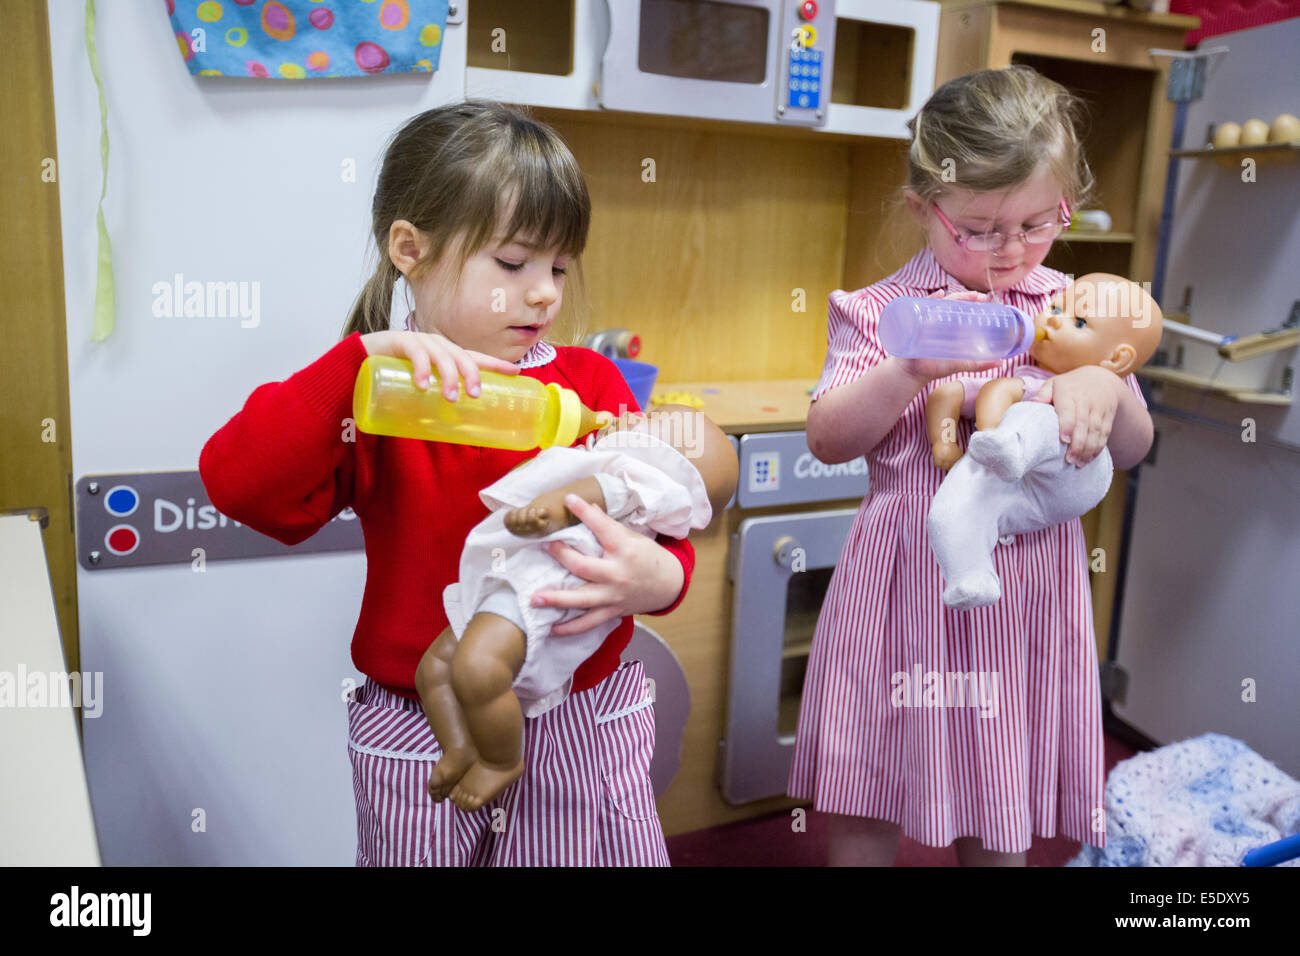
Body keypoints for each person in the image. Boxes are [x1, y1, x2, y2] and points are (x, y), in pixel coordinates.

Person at [199, 101, 694, 866]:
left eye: (558, 267)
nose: (544, 294)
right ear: (410, 249)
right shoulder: (378, 396)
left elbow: (660, 501)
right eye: (512, 263)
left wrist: (657, 578)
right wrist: (355, 362)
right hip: (419, 726)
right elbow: (239, 486)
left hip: (577, 720)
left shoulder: (592, 386)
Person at [788, 66, 1156, 866]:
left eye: (1038, 223)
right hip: (904, 577)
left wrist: (1105, 379)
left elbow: (1133, 450)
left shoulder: (1077, 308)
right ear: (926, 207)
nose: (1013, 251)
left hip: (1027, 587)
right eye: (981, 228)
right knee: (869, 780)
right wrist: (906, 370)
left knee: (1002, 788)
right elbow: (827, 439)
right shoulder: (879, 311)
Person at [416, 405, 738, 813]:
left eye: (653, 419)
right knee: (435, 669)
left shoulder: (641, 479)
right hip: (513, 581)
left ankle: (502, 760)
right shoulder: (619, 463)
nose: (635, 415)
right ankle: (460, 746)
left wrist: (547, 511)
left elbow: (597, 493)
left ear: (671, 463)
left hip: (538, 589)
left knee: (476, 668)